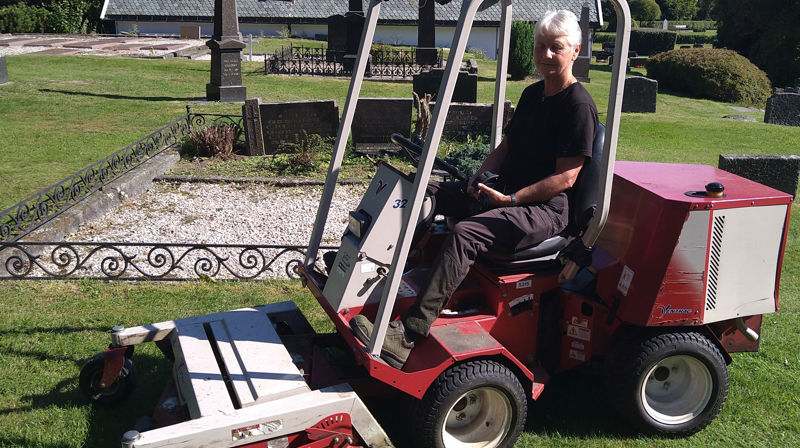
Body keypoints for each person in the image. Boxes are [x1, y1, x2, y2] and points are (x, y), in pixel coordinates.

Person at [351, 9, 599, 369]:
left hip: (544, 209)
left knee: (466, 233)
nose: (546, 55)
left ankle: (407, 335)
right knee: (421, 190)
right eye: (541, 46)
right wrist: (478, 177)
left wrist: (511, 199)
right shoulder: (533, 95)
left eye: (556, 48)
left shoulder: (578, 107)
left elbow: (567, 178)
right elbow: (507, 147)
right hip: (507, 193)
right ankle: (368, 276)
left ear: (575, 50)